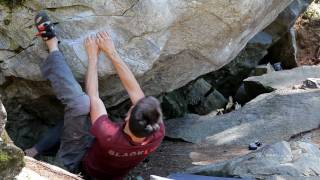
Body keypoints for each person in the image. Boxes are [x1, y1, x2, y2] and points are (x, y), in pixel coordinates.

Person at [26, 11, 165, 179]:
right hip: (101, 154)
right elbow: (134, 90)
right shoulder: (156, 132)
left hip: (77, 164)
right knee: (77, 118)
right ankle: (34, 151)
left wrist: (93, 57)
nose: (134, 102)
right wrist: (112, 53)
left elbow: (94, 97)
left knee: (80, 105)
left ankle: (52, 45)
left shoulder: (109, 134)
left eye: (132, 108)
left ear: (127, 119)